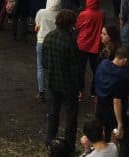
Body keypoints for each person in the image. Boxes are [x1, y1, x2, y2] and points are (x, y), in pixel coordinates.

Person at [42, 9, 80, 152]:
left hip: (52, 81)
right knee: (71, 116)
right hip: (68, 85)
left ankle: (49, 142)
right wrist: (79, 87)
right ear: (70, 25)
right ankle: (69, 146)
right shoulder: (70, 42)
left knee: (53, 113)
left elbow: (44, 61)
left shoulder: (48, 37)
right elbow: (74, 68)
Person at [94, 47, 129, 157]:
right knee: (124, 139)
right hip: (114, 113)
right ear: (124, 60)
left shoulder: (103, 65)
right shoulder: (122, 77)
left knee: (102, 138)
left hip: (101, 109)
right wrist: (120, 123)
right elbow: (117, 101)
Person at [35, 0, 62, 103]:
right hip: (55, 43)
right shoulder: (61, 14)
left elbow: (36, 27)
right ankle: (55, 91)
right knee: (55, 67)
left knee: (41, 67)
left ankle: (41, 92)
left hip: (41, 41)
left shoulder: (41, 12)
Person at [77, 0, 105, 99]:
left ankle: (80, 91)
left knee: (80, 70)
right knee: (96, 70)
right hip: (95, 46)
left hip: (82, 45)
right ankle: (94, 91)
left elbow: (78, 26)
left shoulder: (83, 14)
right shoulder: (101, 14)